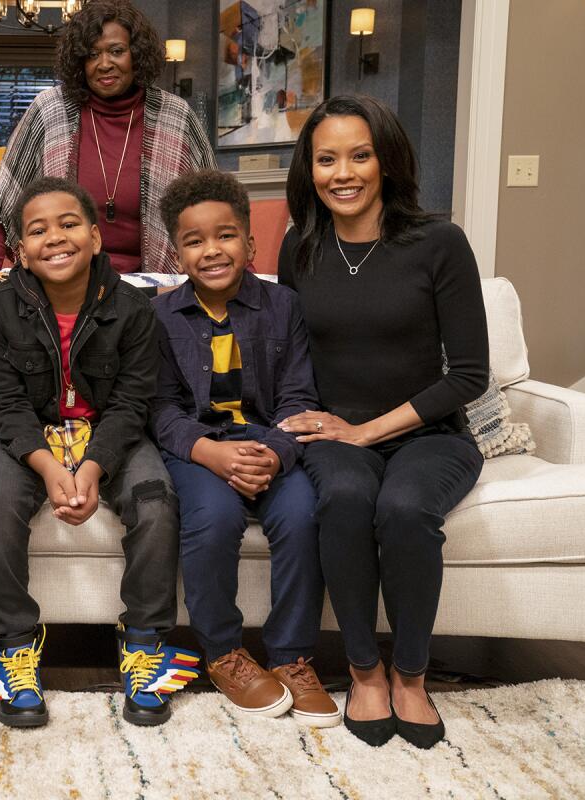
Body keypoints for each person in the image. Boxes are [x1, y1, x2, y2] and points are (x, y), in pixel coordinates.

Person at [276, 95, 489, 749]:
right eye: (327, 158)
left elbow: (469, 376)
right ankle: (365, 672)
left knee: (402, 509)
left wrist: (367, 431)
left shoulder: (439, 243)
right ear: (309, 170)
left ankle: (411, 675)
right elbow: (288, 356)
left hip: (429, 433)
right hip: (335, 434)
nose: (344, 172)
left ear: (387, 161)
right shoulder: (299, 249)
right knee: (342, 497)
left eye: (360, 155)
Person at [0, 177, 198, 729]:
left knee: (156, 500)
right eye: (37, 230)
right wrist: (47, 466)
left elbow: (132, 401)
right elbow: (3, 401)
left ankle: (144, 644)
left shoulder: (132, 308)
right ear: (20, 249)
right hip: (27, 435)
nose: (55, 238)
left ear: (95, 237)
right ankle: (13, 647)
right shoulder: (0, 308)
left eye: (69, 224)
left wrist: (92, 465)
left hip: (107, 432)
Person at [152, 170, 341, 728]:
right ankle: (224, 653)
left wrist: (278, 451)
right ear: (177, 253)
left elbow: (299, 393)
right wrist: (209, 453)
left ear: (250, 242)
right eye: (194, 240)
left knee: (305, 514)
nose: (212, 250)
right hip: (201, 452)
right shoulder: (160, 316)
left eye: (226, 235)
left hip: (271, 444)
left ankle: (291, 656)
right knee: (211, 519)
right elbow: (159, 408)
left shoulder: (285, 306)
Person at [0, 0, 214, 274]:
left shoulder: (176, 114)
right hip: (63, 283)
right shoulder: (48, 109)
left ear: (137, 55)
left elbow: (216, 208)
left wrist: (247, 287)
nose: (104, 64)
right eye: (92, 54)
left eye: (116, 51)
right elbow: (4, 203)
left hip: (155, 288)